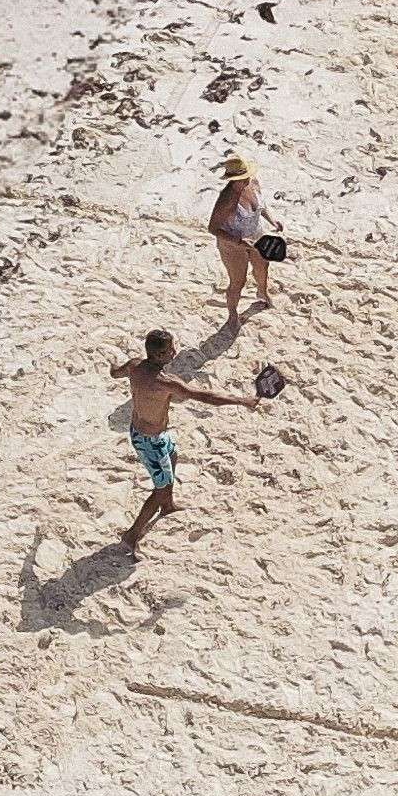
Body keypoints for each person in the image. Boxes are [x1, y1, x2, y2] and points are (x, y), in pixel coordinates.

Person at [112, 326, 258, 544]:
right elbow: (205, 397)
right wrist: (241, 401)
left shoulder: (134, 365)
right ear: (159, 354)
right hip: (149, 441)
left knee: (172, 455)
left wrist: (112, 366)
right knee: (159, 488)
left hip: (147, 431)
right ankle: (132, 535)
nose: (174, 352)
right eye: (171, 350)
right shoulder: (165, 382)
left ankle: (168, 505)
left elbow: (116, 373)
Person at [206, 154, 275, 321]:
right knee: (238, 282)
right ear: (232, 180)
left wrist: (272, 220)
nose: (246, 180)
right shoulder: (227, 200)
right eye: (241, 179)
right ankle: (232, 315)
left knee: (263, 267)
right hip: (233, 245)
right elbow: (213, 228)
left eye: (246, 176)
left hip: (255, 235)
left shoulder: (253, 182)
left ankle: (262, 292)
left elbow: (261, 206)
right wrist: (238, 241)